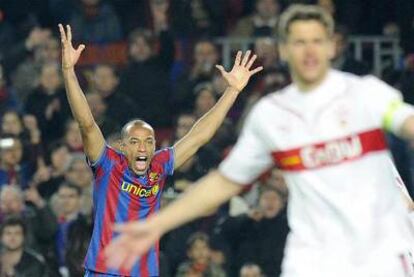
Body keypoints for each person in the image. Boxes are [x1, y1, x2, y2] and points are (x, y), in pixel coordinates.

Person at [104, 4, 414, 277]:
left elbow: (408, 122)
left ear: (332, 47)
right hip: (312, 261)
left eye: (317, 41)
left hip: (381, 256)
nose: (309, 51)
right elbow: (224, 182)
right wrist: (157, 223)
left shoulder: (366, 93)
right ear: (283, 49)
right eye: (299, 42)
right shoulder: (270, 115)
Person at [58, 23, 262, 276]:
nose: (143, 147)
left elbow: (199, 136)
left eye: (149, 142)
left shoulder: (160, 164)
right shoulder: (108, 163)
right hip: (104, 270)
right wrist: (68, 71)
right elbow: (87, 124)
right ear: (122, 147)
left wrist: (232, 90)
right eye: (135, 142)